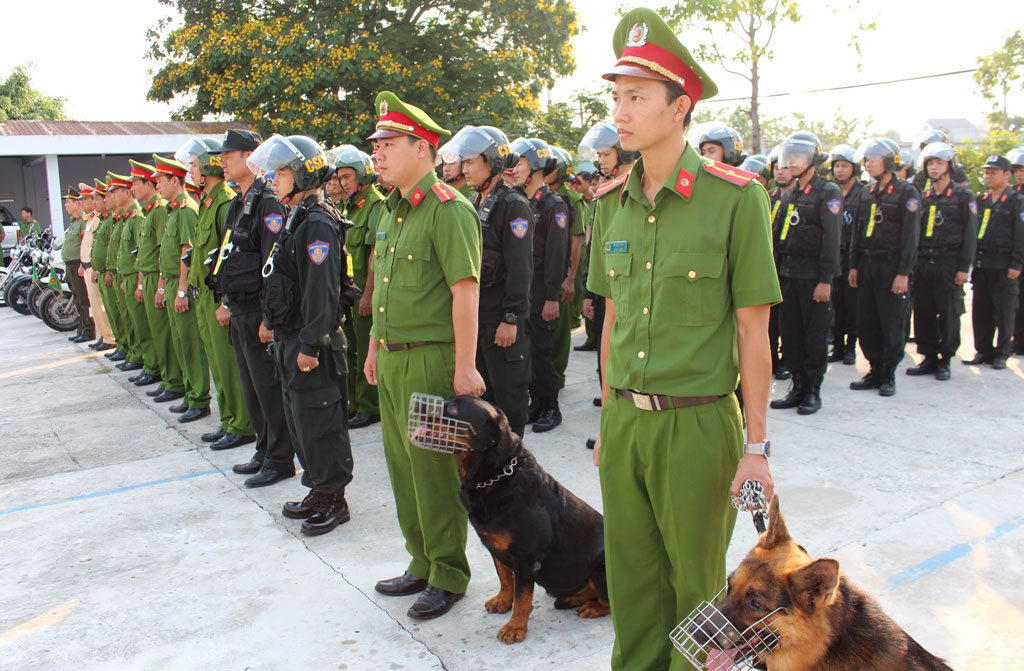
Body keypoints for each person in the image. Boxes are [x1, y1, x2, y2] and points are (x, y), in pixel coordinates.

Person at [587, 9, 779, 669]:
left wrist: (756, 448)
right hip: (626, 422)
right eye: (617, 96)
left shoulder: (735, 199)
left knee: (694, 591)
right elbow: (611, 317)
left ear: (680, 106)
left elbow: (754, 334)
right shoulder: (610, 202)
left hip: (697, 424)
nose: (622, 110)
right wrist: (609, 416)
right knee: (633, 584)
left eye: (637, 96)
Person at [364, 91, 482, 620]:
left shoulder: (448, 209)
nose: (379, 154)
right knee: (402, 469)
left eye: (389, 144)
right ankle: (421, 561)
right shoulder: (389, 212)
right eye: (377, 145)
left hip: (431, 361)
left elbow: (465, 291)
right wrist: (372, 348)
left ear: (423, 146)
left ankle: (449, 572)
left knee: (434, 472)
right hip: (391, 357)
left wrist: (464, 366)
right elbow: (384, 289)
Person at [254, 134, 356, 534]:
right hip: (290, 336)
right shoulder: (296, 213)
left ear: (300, 173)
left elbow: (322, 290)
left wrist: (312, 343)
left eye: (279, 172)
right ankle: (316, 486)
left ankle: (334, 498)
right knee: (300, 420)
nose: (273, 179)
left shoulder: (316, 220)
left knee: (321, 421)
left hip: (312, 342)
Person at [440, 125, 533, 437]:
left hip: (501, 320)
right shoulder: (474, 202)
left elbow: (520, 267)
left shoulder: (513, 204)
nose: (464, 169)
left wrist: (511, 317)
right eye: (462, 163)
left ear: (491, 162)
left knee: (509, 399)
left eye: (470, 162)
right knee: (484, 402)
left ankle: (516, 465)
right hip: (479, 317)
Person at [217, 129, 297, 487]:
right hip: (239, 307)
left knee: (267, 387)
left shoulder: (266, 202)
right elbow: (228, 255)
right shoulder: (238, 202)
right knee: (251, 387)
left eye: (228, 156)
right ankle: (264, 449)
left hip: (258, 311)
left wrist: (269, 317)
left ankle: (280, 458)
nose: (222, 163)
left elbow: (272, 263)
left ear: (250, 157)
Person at [177, 137, 257, 450]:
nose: (192, 170)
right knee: (216, 362)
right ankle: (228, 420)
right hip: (202, 292)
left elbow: (228, 255)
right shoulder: (210, 201)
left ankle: (241, 423)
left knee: (228, 364)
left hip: (217, 296)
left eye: (196, 164)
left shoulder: (225, 200)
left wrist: (224, 300)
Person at [769, 132, 841, 415]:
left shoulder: (828, 191)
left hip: (813, 277)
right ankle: (797, 387)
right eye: (789, 155)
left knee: (814, 335)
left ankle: (812, 391)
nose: (791, 161)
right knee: (792, 334)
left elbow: (832, 239)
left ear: (813, 159)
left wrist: (826, 279)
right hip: (789, 274)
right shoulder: (792, 192)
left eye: (798, 155)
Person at [848, 138, 920, 396]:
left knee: (891, 322)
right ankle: (874, 368)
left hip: (891, 267)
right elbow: (858, 231)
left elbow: (911, 237)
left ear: (888, 162)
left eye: (872, 159)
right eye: (866, 160)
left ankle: (888, 373)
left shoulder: (907, 193)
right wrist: (854, 266)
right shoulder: (866, 192)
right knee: (867, 321)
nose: (867, 164)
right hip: (867, 265)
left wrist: (904, 272)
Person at [511, 136, 568, 433]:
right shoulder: (521, 202)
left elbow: (557, 255)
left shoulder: (553, 204)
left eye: (518, 163)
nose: (513, 169)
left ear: (533, 167)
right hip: (526, 292)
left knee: (544, 353)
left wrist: (552, 297)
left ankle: (551, 407)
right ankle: (536, 402)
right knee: (528, 352)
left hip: (543, 292)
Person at [905, 143, 977, 380]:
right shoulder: (923, 197)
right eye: (930, 164)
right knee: (923, 311)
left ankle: (945, 359)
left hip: (949, 263)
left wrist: (963, 267)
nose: (934, 168)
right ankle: (928, 357)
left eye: (939, 163)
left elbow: (970, 234)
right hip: (925, 263)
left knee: (948, 315)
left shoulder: (963, 196)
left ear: (950, 166)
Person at [326, 144, 384, 430]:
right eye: (338, 178)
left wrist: (369, 294)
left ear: (362, 176)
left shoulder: (375, 204)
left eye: (346, 177)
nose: (341, 183)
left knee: (365, 349)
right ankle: (353, 402)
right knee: (349, 348)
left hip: (363, 291)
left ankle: (369, 405)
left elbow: (374, 253)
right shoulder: (348, 206)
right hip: (348, 290)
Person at [152, 155, 212, 423]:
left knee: (190, 343)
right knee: (180, 343)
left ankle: (200, 398)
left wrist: (182, 290)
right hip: (173, 281)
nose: (158, 187)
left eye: (161, 181)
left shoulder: (186, 209)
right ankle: (190, 394)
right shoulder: (172, 210)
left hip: (182, 282)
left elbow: (187, 251)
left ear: (175, 180)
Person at [129, 160, 187, 403]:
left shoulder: (165, 210)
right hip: (154, 277)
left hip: (165, 279)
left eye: (135, 183)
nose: (132, 187)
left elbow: (177, 250)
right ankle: (167, 378)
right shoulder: (156, 211)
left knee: (168, 336)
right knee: (158, 332)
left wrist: (162, 286)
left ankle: (174, 381)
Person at [964, 154, 1024, 369]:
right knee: (982, 310)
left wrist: (1016, 263)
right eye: (986, 172)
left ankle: (1002, 352)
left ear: (1006, 175)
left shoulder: (1017, 201)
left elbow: (1021, 234)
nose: (988, 176)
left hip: (1004, 264)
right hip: (982, 263)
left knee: (1005, 310)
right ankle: (983, 350)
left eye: (993, 172)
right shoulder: (981, 201)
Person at [110, 172, 156, 381]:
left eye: (136, 184)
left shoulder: (138, 216)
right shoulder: (129, 217)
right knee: (134, 322)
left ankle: (150, 365)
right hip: (128, 276)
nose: (110, 197)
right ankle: (143, 360)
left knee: (144, 326)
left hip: (142, 277)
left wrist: (138, 283)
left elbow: (142, 251)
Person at [547, 146, 586, 389]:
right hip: (543, 275)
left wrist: (570, 279)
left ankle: (557, 377)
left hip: (562, 273)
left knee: (560, 332)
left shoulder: (570, 199)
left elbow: (576, 240)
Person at [826, 144, 863, 365]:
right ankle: (837, 346)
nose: (840, 170)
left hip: (854, 258)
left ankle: (850, 347)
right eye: (837, 166)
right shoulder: (831, 192)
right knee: (836, 304)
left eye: (845, 166)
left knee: (853, 306)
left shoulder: (863, 193)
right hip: (835, 256)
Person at [76, 184, 116, 351]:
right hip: (88, 267)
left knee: (101, 304)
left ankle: (109, 337)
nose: (87, 202)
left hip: (96, 268)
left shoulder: (101, 219)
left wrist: (99, 268)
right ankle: (104, 335)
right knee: (95, 304)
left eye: (93, 198)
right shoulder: (92, 218)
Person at [767, 146, 794, 380]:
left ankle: (787, 361)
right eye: (777, 167)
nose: (781, 172)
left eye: (785, 167)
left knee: (791, 323)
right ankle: (774, 361)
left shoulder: (804, 196)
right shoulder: (770, 197)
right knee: (771, 323)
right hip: (773, 267)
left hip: (797, 268)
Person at [61, 187, 96, 345]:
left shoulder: (83, 221)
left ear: (77, 203)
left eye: (69, 202)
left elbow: (86, 245)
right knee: (77, 299)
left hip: (78, 266)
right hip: (70, 266)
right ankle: (82, 328)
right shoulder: (74, 222)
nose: (66, 205)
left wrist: (83, 264)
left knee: (83, 300)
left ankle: (88, 330)